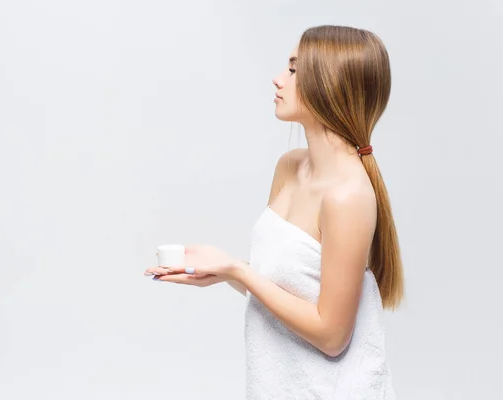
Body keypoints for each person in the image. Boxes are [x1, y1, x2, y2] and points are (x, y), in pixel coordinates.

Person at [144, 24, 403, 399]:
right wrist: (222, 269)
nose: (279, 79)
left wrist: (240, 273)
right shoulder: (289, 167)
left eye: (294, 70)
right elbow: (281, 290)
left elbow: (332, 335)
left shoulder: (348, 196)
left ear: (328, 84)